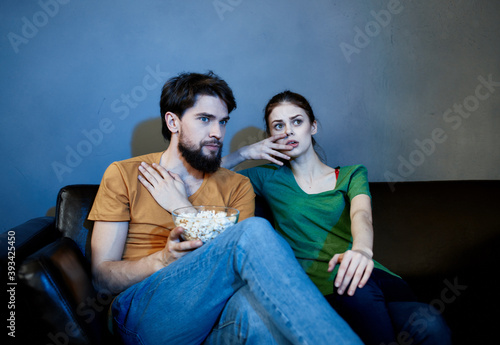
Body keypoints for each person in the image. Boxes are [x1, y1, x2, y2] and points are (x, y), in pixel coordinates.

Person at [88, 72, 363, 345]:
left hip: (216, 317)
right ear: (173, 121)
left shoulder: (238, 186)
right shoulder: (125, 174)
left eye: (223, 122)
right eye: (205, 119)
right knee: (253, 231)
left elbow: (234, 267)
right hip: (147, 314)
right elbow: (102, 279)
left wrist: (181, 206)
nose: (217, 133)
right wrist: (161, 260)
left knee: (257, 315)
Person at [219, 90, 452, 345]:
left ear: (313, 126)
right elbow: (205, 176)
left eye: (297, 121)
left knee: (429, 323)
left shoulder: (351, 174)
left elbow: (362, 215)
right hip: (321, 292)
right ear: (270, 136)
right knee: (360, 297)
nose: (288, 131)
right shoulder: (266, 178)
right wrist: (246, 153)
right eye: (278, 126)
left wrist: (362, 251)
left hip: (366, 275)